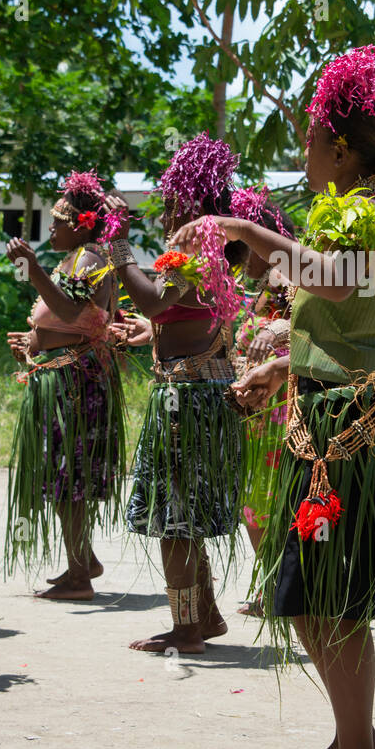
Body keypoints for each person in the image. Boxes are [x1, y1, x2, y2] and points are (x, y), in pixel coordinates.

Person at [179, 46, 375, 749]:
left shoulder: (371, 216)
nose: (303, 153)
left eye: (310, 140)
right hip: (326, 418)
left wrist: (248, 233)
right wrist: (280, 365)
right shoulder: (352, 214)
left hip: (351, 428)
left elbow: (337, 280)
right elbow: (348, 323)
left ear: (340, 149)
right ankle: (355, 739)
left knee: (326, 593)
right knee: (307, 591)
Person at [105, 133, 249, 655]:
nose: (166, 213)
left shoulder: (198, 246)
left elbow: (152, 303)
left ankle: (187, 629)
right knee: (179, 512)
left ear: (190, 202)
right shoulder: (206, 247)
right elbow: (167, 316)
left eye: (171, 203)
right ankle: (203, 617)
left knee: (176, 517)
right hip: (193, 391)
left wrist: (118, 246)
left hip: (188, 399)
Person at [4, 171, 125, 601]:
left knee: (67, 475)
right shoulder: (79, 258)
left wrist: (33, 270)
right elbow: (74, 325)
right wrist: (35, 343)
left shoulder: (90, 259)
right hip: (65, 375)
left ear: (80, 224)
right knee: (63, 474)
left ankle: (79, 577)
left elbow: (73, 316)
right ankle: (82, 560)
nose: (50, 229)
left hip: (76, 383)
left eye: (57, 222)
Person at [229, 196, 295, 619]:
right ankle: (274, 585)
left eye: (245, 249)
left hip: (282, 412)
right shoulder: (266, 284)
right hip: (257, 415)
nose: (240, 261)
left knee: (272, 503)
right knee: (255, 504)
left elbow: (316, 323)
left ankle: (283, 589)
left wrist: (279, 327)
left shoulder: (292, 275)